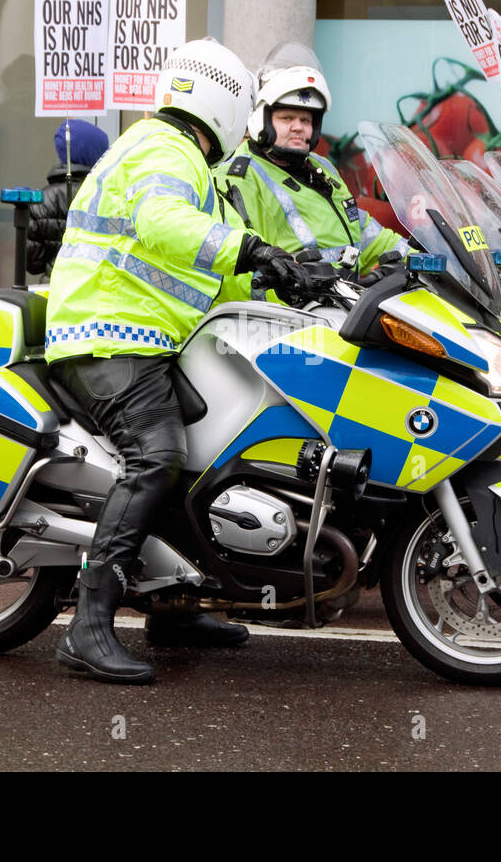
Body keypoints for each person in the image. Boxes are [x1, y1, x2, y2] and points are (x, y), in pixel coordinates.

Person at [44, 37, 311, 684]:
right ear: (226, 102)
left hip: (149, 339)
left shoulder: (190, 160)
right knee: (156, 455)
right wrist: (252, 249)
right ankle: (88, 624)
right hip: (106, 336)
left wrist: (293, 277)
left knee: (201, 456)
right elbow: (167, 223)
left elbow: (210, 267)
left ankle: (173, 604)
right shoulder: (164, 149)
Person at [215, 42, 408, 283]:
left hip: (345, 304)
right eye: (287, 118)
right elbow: (241, 266)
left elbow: (363, 229)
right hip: (292, 314)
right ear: (261, 119)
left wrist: (414, 257)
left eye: (306, 120)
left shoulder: (322, 168)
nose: (298, 127)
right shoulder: (239, 177)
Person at [26, 119, 109, 279]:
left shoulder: (41, 200)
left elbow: (33, 263)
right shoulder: (106, 195)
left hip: (54, 290)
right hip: (97, 289)